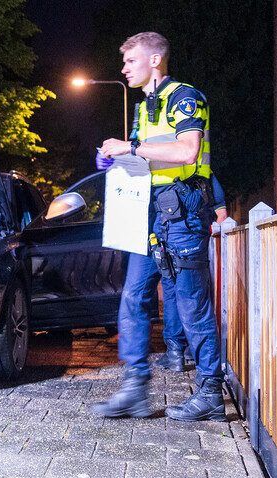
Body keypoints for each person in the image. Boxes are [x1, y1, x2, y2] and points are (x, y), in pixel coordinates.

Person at [92, 32, 226, 422]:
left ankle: (210, 392)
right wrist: (111, 159)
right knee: (133, 297)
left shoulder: (185, 96)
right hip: (149, 214)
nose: (123, 68)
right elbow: (143, 159)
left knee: (190, 302)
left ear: (154, 61)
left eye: (130, 61)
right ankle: (135, 390)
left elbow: (188, 151)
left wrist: (130, 149)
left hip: (182, 214)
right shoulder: (142, 109)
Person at [156, 174, 227, 371]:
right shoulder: (201, 172)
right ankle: (178, 352)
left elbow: (220, 213)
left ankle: (200, 369)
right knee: (178, 295)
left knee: (191, 303)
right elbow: (220, 212)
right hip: (172, 232)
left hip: (183, 232)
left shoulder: (185, 160)